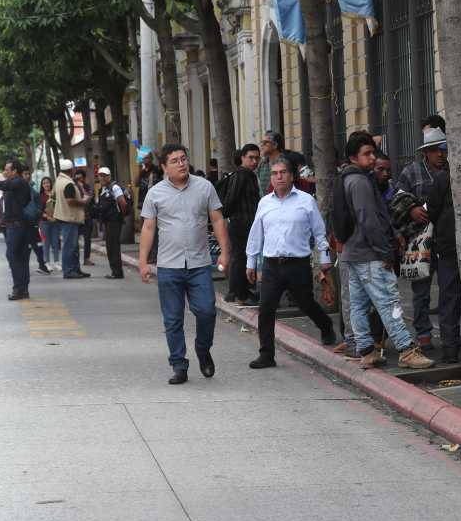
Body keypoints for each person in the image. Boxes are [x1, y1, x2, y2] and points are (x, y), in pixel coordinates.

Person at [339, 131, 434, 370]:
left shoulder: (347, 178)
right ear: (353, 157)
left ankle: (367, 350)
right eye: (367, 154)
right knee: (388, 301)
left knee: (359, 304)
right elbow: (369, 220)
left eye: (373, 152)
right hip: (370, 253)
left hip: (354, 251)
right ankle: (406, 349)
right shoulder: (360, 182)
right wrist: (385, 252)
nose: (372, 158)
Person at [139, 143, 229, 385]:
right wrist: (143, 262)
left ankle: (202, 348)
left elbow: (218, 220)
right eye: (175, 161)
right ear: (164, 167)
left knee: (207, 310)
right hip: (169, 266)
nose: (181, 164)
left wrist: (224, 253)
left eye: (183, 159)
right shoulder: (155, 193)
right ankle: (179, 365)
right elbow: (148, 228)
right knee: (172, 319)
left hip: (200, 263)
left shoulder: (204, 187)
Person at [244, 158, 338, 369]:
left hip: (298, 264)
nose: (279, 177)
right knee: (266, 308)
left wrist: (324, 260)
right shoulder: (265, 203)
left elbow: (319, 232)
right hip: (271, 265)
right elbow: (256, 234)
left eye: (283, 172)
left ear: (292, 175)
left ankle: (325, 325)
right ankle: (266, 354)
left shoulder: (306, 201)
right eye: (275, 173)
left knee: (306, 303)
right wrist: (251, 262)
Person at [394, 121, 449, 350]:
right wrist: (412, 210)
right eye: (435, 149)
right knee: (421, 291)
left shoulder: (453, 168)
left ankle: (450, 334)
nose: (440, 154)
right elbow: (396, 197)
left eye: (443, 149)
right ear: (426, 152)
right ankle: (424, 334)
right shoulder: (411, 171)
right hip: (420, 240)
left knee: (449, 290)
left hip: (447, 239)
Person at [426, 167, 461, 364]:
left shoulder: (442, 177)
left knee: (449, 296)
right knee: (451, 296)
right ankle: (452, 345)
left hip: (448, 243)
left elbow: (432, 209)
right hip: (451, 244)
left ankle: (451, 347)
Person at [0, 160, 33, 300]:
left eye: (7, 169)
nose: (4, 172)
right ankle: (22, 289)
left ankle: (19, 288)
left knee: (13, 256)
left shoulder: (17, 182)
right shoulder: (13, 185)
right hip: (15, 225)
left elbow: (4, 185)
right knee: (20, 257)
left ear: (14, 171)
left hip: (17, 225)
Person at [223, 143, 261, 304]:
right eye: (251, 158)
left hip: (247, 223)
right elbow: (231, 199)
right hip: (240, 223)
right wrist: (230, 216)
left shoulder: (248, 174)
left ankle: (242, 291)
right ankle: (238, 293)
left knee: (244, 257)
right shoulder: (241, 175)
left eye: (257, 158)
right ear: (243, 158)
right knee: (240, 257)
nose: (254, 161)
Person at [53, 160, 90, 279]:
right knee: (70, 246)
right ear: (71, 170)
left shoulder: (58, 181)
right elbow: (69, 200)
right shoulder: (68, 183)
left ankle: (75, 269)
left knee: (73, 246)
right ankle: (69, 270)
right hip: (70, 217)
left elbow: (53, 196)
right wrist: (83, 202)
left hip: (65, 217)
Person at [96, 166, 128, 279]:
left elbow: (123, 203)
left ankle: (117, 272)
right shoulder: (102, 189)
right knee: (110, 246)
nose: (102, 178)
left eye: (105, 175)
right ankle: (115, 271)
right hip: (107, 222)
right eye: (100, 175)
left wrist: (120, 216)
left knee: (113, 246)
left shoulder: (114, 187)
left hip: (114, 221)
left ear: (109, 176)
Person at [21, 170, 49, 275]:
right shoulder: (19, 189)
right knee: (29, 245)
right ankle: (29, 266)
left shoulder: (32, 189)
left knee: (36, 244)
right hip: (23, 222)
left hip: (32, 222)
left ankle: (41, 265)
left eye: (29, 174)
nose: (28, 176)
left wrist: (37, 214)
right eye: (25, 174)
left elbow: (38, 205)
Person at [74, 169, 95, 267]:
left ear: (84, 178)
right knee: (75, 240)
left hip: (87, 217)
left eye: (80, 178)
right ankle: (76, 259)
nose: (79, 180)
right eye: (77, 178)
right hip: (76, 218)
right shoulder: (73, 188)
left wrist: (82, 188)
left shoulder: (87, 187)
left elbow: (89, 199)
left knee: (87, 239)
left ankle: (87, 258)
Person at [39, 176, 60, 269]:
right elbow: (39, 211)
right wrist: (47, 217)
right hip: (44, 222)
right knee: (46, 243)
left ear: (51, 183)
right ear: (42, 185)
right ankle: (47, 262)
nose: (46, 184)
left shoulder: (55, 194)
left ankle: (56, 262)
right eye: (44, 183)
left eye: (48, 182)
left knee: (55, 242)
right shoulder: (40, 196)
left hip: (55, 221)